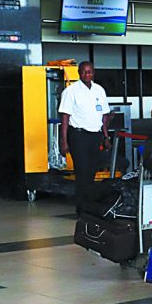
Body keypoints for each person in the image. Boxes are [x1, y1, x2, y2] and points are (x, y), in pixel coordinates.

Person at [58, 61, 109, 212]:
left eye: (90, 72)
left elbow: (104, 115)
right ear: (79, 73)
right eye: (84, 72)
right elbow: (65, 117)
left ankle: (89, 206)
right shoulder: (71, 91)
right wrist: (64, 141)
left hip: (95, 136)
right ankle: (81, 209)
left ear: (94, 73)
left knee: (92, 171)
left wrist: (106, 137)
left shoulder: (99, 90)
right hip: (78, 136)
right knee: (82, 172)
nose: (87, 74)